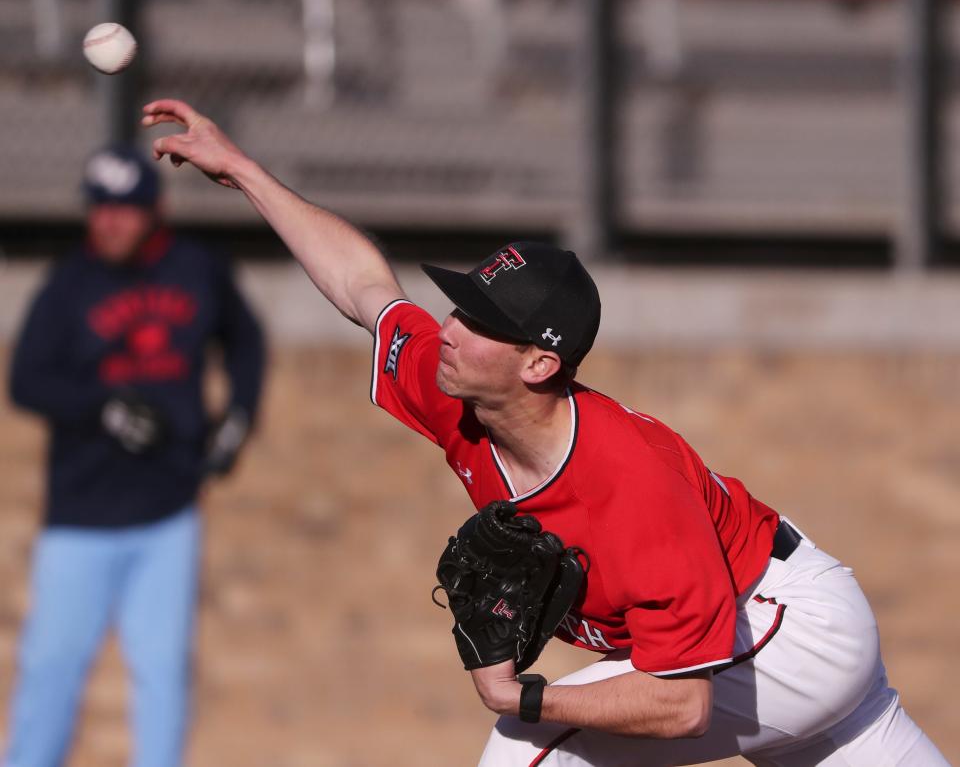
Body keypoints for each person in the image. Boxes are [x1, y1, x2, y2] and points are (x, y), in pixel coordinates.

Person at [140, 99, 948, 766]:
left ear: (536, 364)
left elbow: (682, 702)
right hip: (765, 630)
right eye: (460, 307)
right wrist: (241, 171)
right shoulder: (456, 389)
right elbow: (365, 289)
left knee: (528, 751)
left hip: (779, 626)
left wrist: (522, 693)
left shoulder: (631, 481)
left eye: (480, 322)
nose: (449, 331)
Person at [4, 143, 265, 767]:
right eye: (99, 209)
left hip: (168, 510)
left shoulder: (196, 268)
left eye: (123, 210)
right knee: (50, 669)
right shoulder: (70, 285)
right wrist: (103, 405)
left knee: (162, 671)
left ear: (157, 210)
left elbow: (246, 341)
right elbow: (25, 381)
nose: (109, 222)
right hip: (80, 516)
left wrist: (237, 420)